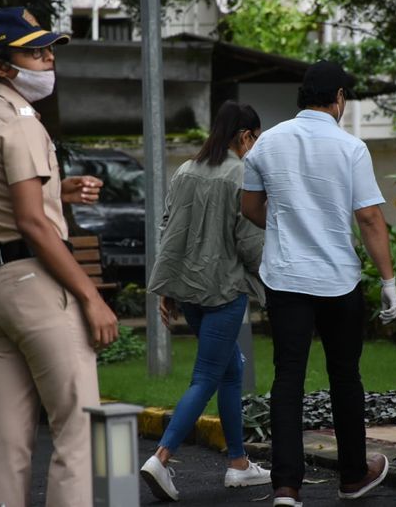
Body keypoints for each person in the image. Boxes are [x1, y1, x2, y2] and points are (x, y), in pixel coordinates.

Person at [0, 7, 119, 507]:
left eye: (48, 50)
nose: (48, 60)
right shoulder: (21, 121)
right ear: (2, 65)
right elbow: (29, 222)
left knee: (7, 434)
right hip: (35, 284)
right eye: (35, 51)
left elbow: (7, 204)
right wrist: (91, 297)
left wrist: (58, 192)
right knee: (79, 429)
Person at [241, 60, 396, 507]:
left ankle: (286, 487)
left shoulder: (267, 143)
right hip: (339, 280)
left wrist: (281, 226)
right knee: (345, 377)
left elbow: (250, 206)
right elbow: (369, 217)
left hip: (286, 278)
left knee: (287, 379)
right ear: (339, 99)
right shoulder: (351, 148)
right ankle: (352, 476)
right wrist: (389, 281)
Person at [140, 101, 271, 501]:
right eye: (255, 139)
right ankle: (161, 457)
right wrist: (273, 276)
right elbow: (250, 242)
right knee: (206, 376)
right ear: (245, 136)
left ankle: (238, 464)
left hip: (188, 292)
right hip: (223, 292)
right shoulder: (241, 174)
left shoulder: (185, 170)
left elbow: (169, 229)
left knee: (232, 368)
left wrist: (167, 288)